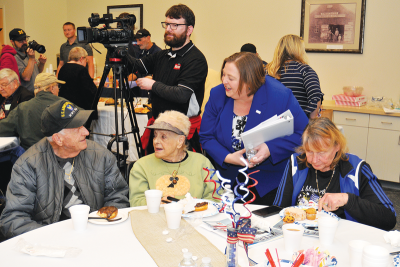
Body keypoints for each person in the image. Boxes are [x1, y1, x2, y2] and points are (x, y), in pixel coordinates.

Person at [0, 100, 129, 238]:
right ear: (58, 139)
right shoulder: (28, 166)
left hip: (96, 233)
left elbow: (118, 196)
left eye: (83, 125)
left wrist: (102, 227)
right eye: (77, 128)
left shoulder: (100, 155)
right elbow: (13, 219)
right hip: (51, 242)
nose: (86, 131)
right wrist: (55, 237)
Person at [199, 52, 309, 205]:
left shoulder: (279, 96)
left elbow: (305, 135)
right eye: (223, 75)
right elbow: (206, 136)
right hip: (227, 180)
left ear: (249, 81)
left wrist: (270, 148)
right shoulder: (218, 95)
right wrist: (228, 158)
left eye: (231, 78)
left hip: (269, 181)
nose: (224, 81)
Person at [273, 117, 396, 231]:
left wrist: (347, 199)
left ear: (337, 146)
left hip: (342, 239)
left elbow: (389, 218)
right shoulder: (296, 163)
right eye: (309, 152)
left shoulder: (356, 169)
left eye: (321, 153)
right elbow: (277, 211)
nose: (314, 160)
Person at [128, 4, 208, 154]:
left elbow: (181, 95)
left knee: (180, 177)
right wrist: (118, 51)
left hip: (182, 132)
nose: (169, 29)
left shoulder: (196, 59)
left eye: (175, 25)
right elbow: (137, 66)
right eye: (167, 24)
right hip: (159, 126)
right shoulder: (162, 55)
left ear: (189, 30)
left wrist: (153, 85)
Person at [129, 111, 217, 207]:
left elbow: (216, 197)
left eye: (163, 137)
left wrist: (198, 206)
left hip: (196, 219)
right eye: (155, 135)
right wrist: (157, 203)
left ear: (180, 141)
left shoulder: (202, 163)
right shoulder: (141, 166)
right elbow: (135, 201)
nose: (156, 141)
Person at [0, 72, 66, 151]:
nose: (58, 89)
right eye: (57, 86)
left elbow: (3, 128)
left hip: (31, 157)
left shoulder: (22, 108)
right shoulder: (65, 105)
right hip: (60, 155)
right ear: (51, 88)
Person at [267, 34, 323, 118]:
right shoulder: (305, 70)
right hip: (297, 125)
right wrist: (307, 121)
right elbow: (315, 99)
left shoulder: (267, 71)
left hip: (270, 123)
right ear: (299, 50)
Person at [9, 28, 46, 93]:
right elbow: (26, 77)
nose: (24, 43)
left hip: (37, 92)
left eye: (25, 39)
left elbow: (37, 71)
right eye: (20, 41)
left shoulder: (28, 52)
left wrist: (42, 63)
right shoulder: (14, 57)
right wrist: (31, 58)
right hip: (26, 96)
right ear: (12, 42)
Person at [129, 29, 162, 97]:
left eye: (140, 40)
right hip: (140, 93)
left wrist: (136, 82)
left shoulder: (158, 53)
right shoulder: (140, 52)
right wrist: (128, 80)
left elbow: (159, 75)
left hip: (152, 93)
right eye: (137, 40)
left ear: (148, 38)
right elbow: (136, 70)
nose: (138, 43)